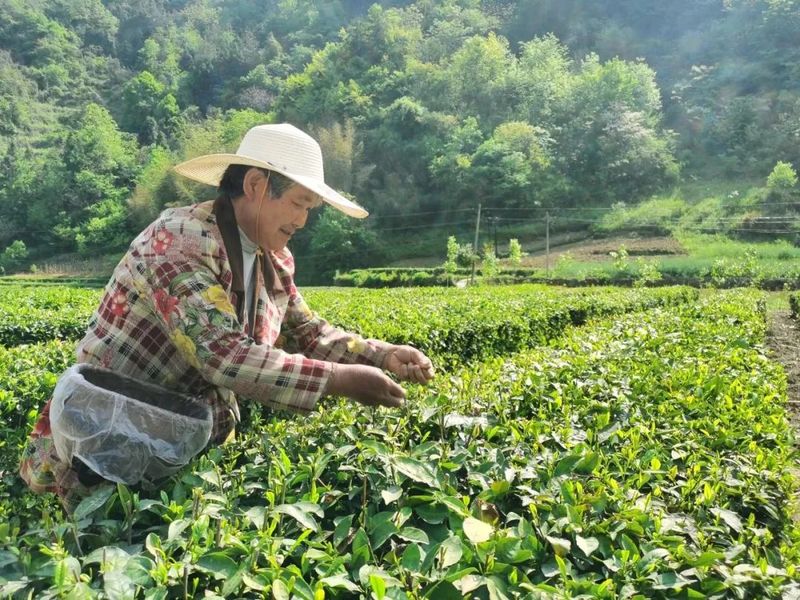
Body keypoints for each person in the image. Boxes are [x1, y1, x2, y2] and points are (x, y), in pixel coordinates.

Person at [20, 123, 435, 512]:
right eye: (297, 204)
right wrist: (340, 381)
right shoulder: (179, 241)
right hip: (105, 439)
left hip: (175, 441)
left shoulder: (273, 258)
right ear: (256, 185)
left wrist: (382, 356)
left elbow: (308, 333)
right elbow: (223, 355)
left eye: (310, 208)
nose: (302, 221)